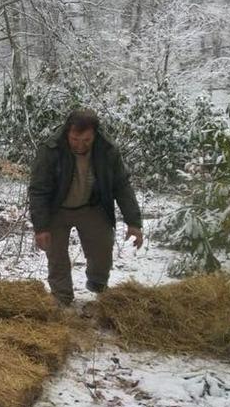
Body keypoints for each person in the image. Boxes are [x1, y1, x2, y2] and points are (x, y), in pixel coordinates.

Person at [28, 110, 143, 305]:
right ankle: (61, 297)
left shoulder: (107, 150)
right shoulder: (50, 150)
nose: (80, 145)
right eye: (75, 139)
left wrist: (134, 222)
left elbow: (122, 185)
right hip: (57, 208)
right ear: (67, 133)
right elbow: (38, 190)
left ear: (95, 135)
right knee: (56, 256)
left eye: (86, 140)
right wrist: (41, 227)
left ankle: (97, 284)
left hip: (92, 206)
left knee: (103, 249)